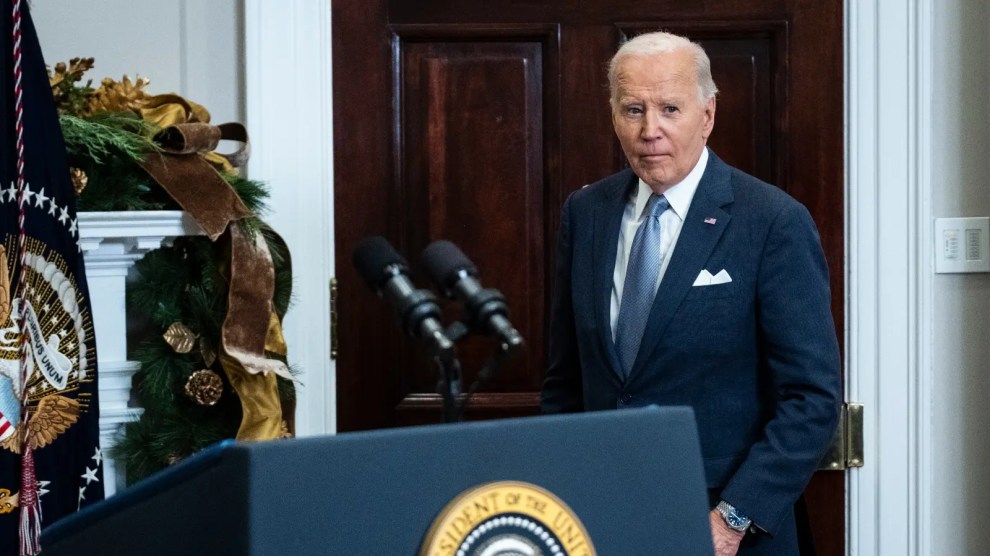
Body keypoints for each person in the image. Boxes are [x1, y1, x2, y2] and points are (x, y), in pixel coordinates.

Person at [540, 31, 841, 556]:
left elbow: (811, 399)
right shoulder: (586, 213)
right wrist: (563, 496)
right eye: (633, 109)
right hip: (602, 516)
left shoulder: (772, 221)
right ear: (613, 115)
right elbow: (565, 381)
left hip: (725, 525)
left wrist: (732, 519)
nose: (649, 130)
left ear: (707, 114)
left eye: (670, 109)